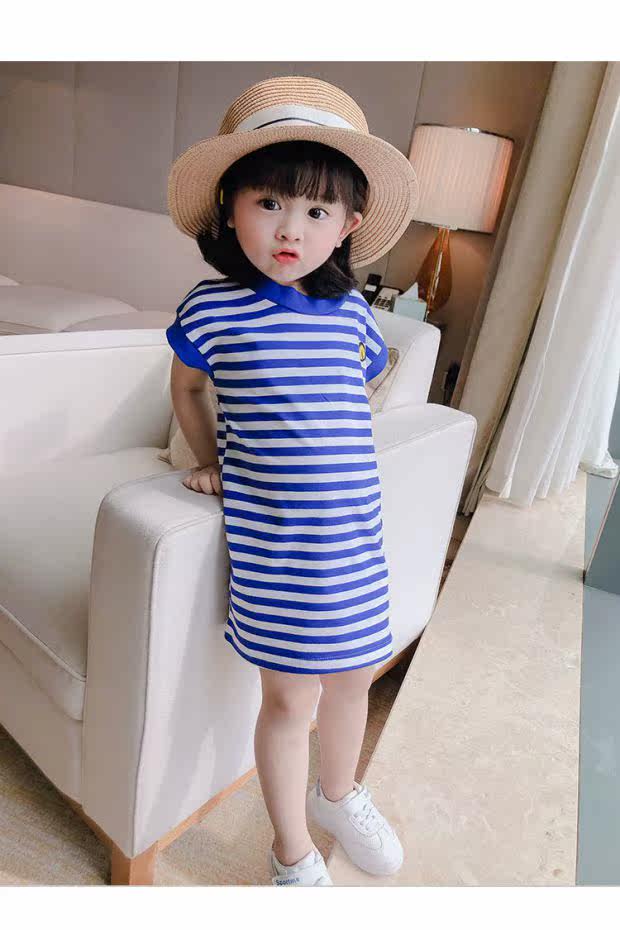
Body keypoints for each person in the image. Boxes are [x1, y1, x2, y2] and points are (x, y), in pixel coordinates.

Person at [165, 75, 419, 887]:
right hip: (278, 548)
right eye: (269, 203)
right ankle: (292, 852)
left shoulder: (352, 317)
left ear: (348, 226)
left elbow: (356, 394)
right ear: (229, 208)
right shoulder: (213, 309)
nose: (289, 229)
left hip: (355, 540)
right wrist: (208, 459)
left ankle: (338, 795)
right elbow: (187, 389)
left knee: (354, 680)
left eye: (316, 212)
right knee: (289, 702)